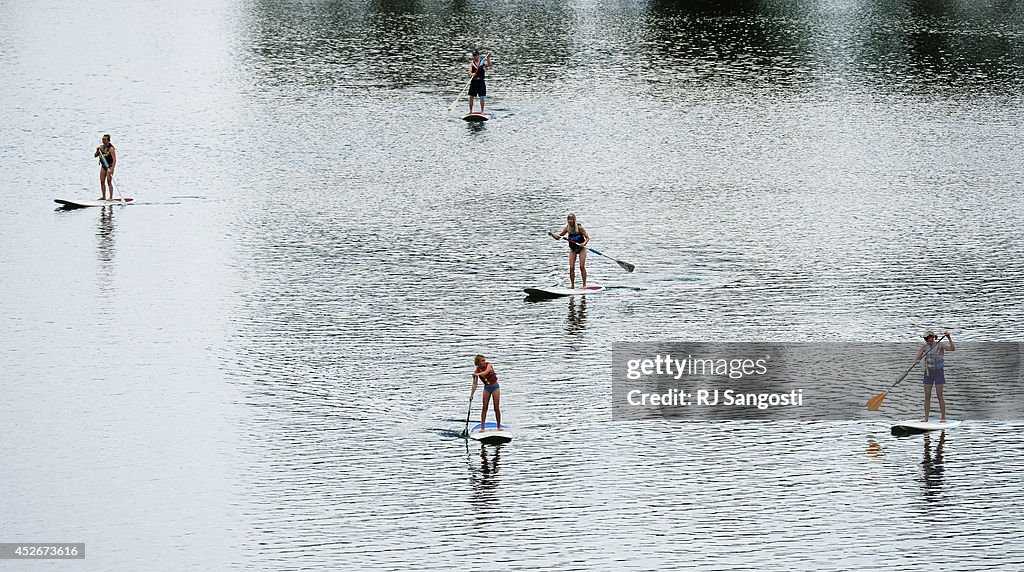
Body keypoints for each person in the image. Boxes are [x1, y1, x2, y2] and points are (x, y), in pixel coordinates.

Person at [914, 330, 955, 422]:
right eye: (925, 338)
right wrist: (917, 360)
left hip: (938, 373)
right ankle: (926, 418)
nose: (926, 340)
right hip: (928, 373)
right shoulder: (924, 347)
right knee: (927, 396)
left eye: (927, 338)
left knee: (939, 396)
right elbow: (918, 357)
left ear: (932, 337)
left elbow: (953, 349)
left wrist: (949, 338)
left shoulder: (940, 345)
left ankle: (943, 417)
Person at [548, 213, 590, 289]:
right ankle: (572, 285)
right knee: (571, 267)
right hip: (573, 249)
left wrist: (583, 243)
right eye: (568, 219)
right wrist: (552, 234)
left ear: (574, 220)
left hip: (582, 249)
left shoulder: (580, 228)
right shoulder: (567, 228)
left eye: (571, 219)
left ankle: (584, 285)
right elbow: (558, 237)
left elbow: (587, 238)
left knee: (581, 266)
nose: (570, 221)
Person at [470, 354, 502, 431]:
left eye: (484, 360)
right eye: (482, 361)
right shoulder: (476, 371)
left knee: (496, 408)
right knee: (484, 407)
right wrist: (471, 395)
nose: (484, 362)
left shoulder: (489, 365)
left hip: (495, 387)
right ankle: (482, 427)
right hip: (487, 388)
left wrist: (477, 374)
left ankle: (498, 426)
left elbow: (485, 372)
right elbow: (475, 384)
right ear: (478, 363)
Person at [467, 50, 492, 114]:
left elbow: (489, 65)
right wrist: (472, 74)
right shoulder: (471, 64)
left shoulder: (482, 63)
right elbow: (469, 71)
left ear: (478, 55)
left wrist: (488, 58)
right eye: (474, 55)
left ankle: (482, 111)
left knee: (482, 97)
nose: (475, 57)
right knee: (471, 97)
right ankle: (470, 111)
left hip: (481, 82)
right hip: (474, 82)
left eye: (476, 55)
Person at [93, 134, 117, 200]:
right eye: (103, 140)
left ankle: (111, 197)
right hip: (103, 166)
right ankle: (103, 197)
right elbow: (95, 155)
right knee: (102, 181)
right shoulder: (101, 147)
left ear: (108, 141)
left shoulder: (111, 149)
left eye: (105, 140)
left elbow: (114, 159)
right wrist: (97, 151)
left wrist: (112, 168)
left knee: (109, 181)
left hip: (110, 166)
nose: (103, 141)